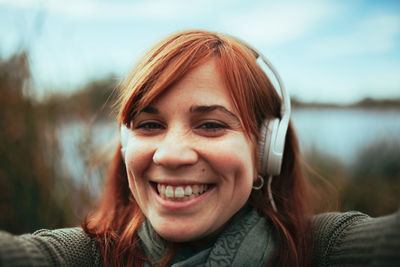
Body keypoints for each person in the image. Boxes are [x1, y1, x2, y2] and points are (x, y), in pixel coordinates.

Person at [0, 30, 399, 267]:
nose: (171, 155)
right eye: (150, 125)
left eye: (210, 125)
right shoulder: (85, 257)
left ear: (265, 151)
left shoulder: (320, 250)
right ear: (127, 147)